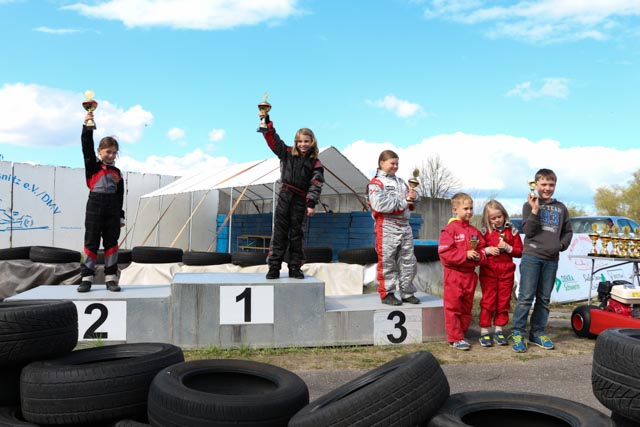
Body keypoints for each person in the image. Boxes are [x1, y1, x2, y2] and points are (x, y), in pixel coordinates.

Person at [511, 168, 573, 352]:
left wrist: (561, 245)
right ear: (536, 185)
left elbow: (568, 231)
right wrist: (535, 209)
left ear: (555, 185)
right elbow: (529, 231)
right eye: (543, 184)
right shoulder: (528, 205)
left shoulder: (561, 208)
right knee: (525, 298)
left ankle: (537, 332)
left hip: (552, 259)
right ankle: (517, 332)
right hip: (532, 257)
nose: (547, 188)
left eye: (551, 184)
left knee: (544, 299)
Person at [260, 112, 324, 280]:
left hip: (301, 201)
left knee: (297, 234)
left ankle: (295, 267)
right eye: (300, 141)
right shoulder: (287, 152)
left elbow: (316, 183)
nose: (303, 144)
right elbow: (274, 141)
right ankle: (273, 267)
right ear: (296, 142)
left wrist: (311, 203)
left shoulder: (315, 162)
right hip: (285, 196)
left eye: (306, 141)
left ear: (312, 142)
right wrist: (266, 121)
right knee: (279, 233)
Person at [78, 111, 125, 292]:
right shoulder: (92, 165)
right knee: (91, 242)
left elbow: (120, 196)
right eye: (108, 152)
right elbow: (86, 145)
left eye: (114, 153)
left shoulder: (117, 173)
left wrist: (120, 216)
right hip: (95, 206)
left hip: (112, 209)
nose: (111, 156)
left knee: (111, 243)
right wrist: (87, 125)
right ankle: (86, 278)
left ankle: (111, 278)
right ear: (100, 151)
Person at [367, 150, 420, 306]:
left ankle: (407, 292)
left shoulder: (402, 182)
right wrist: (404, 201)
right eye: (392, 163)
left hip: (405, 225)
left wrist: (415, 198)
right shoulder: (376, 183)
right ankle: (387, 293)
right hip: (387, 224)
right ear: (381, 163)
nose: (395, 166)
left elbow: (411, 203)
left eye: (397, 163)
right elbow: (380, 205)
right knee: (387, 260)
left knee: (408, 260)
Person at [438, 192, 486, 350]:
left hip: (470, 276)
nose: (469, 212)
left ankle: (462, 333)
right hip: (454, 275)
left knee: (467, 307)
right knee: (453, 307)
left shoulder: (474, 231)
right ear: (455, 210)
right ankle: (454, 337)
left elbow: (482, 251)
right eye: (466, 208)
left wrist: (478, 256)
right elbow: (444, 254)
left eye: (471, 208)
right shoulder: (449, 230)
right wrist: (464, 255)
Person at [478, 200, 523, 347]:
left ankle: (499, 330)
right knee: (488, 301)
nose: (497, 220)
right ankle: (484, 331)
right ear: (487, 219)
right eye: (493, 218)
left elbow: (520, 251)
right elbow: (477, 250)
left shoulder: (513, 231)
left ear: (504, 214)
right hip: (489, 272)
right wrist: (487, 250)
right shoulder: (483, 232)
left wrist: (509, 248)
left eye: (500, 216)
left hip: (506, 272)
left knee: (503, 302)